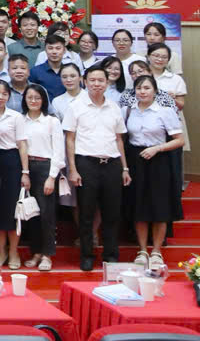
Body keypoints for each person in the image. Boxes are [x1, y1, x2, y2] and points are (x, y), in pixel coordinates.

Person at [63, 65, 131, 271]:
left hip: (112, 164)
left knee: (112, 213)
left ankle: (111, 256)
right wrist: (73, 169)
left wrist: (125, 168)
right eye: (92, 80)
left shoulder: (114, 107)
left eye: (101, 80)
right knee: (86, 213)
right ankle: (87, 255)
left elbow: (119, 139)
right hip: (86, 164)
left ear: (107, 83)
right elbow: (70, 139)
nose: (96, 84)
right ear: (85, 82)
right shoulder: (76, 106)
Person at [125, 73, 184, 271]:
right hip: (136, 160)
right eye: (139, 88)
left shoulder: (165, 111)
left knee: (160, 207)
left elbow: (179, 140)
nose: (142, 92)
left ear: (155, 91)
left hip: (158, 160)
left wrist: (157, 148)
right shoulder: (129, 110)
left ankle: (157, 251)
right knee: (139, 206)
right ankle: (142, 250)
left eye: (147, 88)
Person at [19, 83, 63, 271]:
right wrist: (24, 172)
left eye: (37, 98)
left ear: (44, 100)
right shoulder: (20, 120)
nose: (33, 101)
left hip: (46, 168)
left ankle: (47, 254)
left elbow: (58, 151)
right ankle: (35, 252)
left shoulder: (52, 121)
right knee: (31, 213)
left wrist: (52, 177)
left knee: (47, 213)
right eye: (30, 97)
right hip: (26, 168)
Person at [0, 79, 28, 269]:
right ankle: (1, 251)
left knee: (12, 209)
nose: (0, 97)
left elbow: (22, 144)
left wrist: (25, 172)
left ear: (9, 96)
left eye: (4, 94)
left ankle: (13, 251)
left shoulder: (15, 116)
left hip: (11, 163)